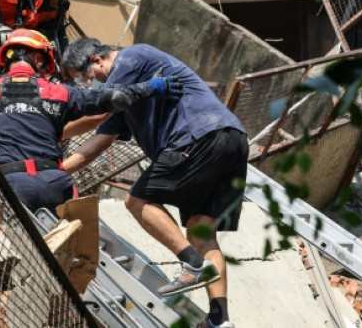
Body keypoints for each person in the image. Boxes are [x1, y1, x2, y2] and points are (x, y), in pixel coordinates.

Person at [61, 38, 249, 328]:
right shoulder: (125, 98)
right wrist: (57, 171)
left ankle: (192, 264)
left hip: (196, 136)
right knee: (200, 231)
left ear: (97, 60)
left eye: (84, 76)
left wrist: (50, 128)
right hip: (231, 141)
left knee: (137, 201)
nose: (88, 83)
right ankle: (220, 320)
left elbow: (99, 111)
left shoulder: (130, 58)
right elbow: (97, 144)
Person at [0, 29, 182, 215]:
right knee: (76, 253)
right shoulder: (58, 92)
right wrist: (153, 87)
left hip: (13, 186)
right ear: (37, 59)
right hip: (59, 185)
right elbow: (114, 99)